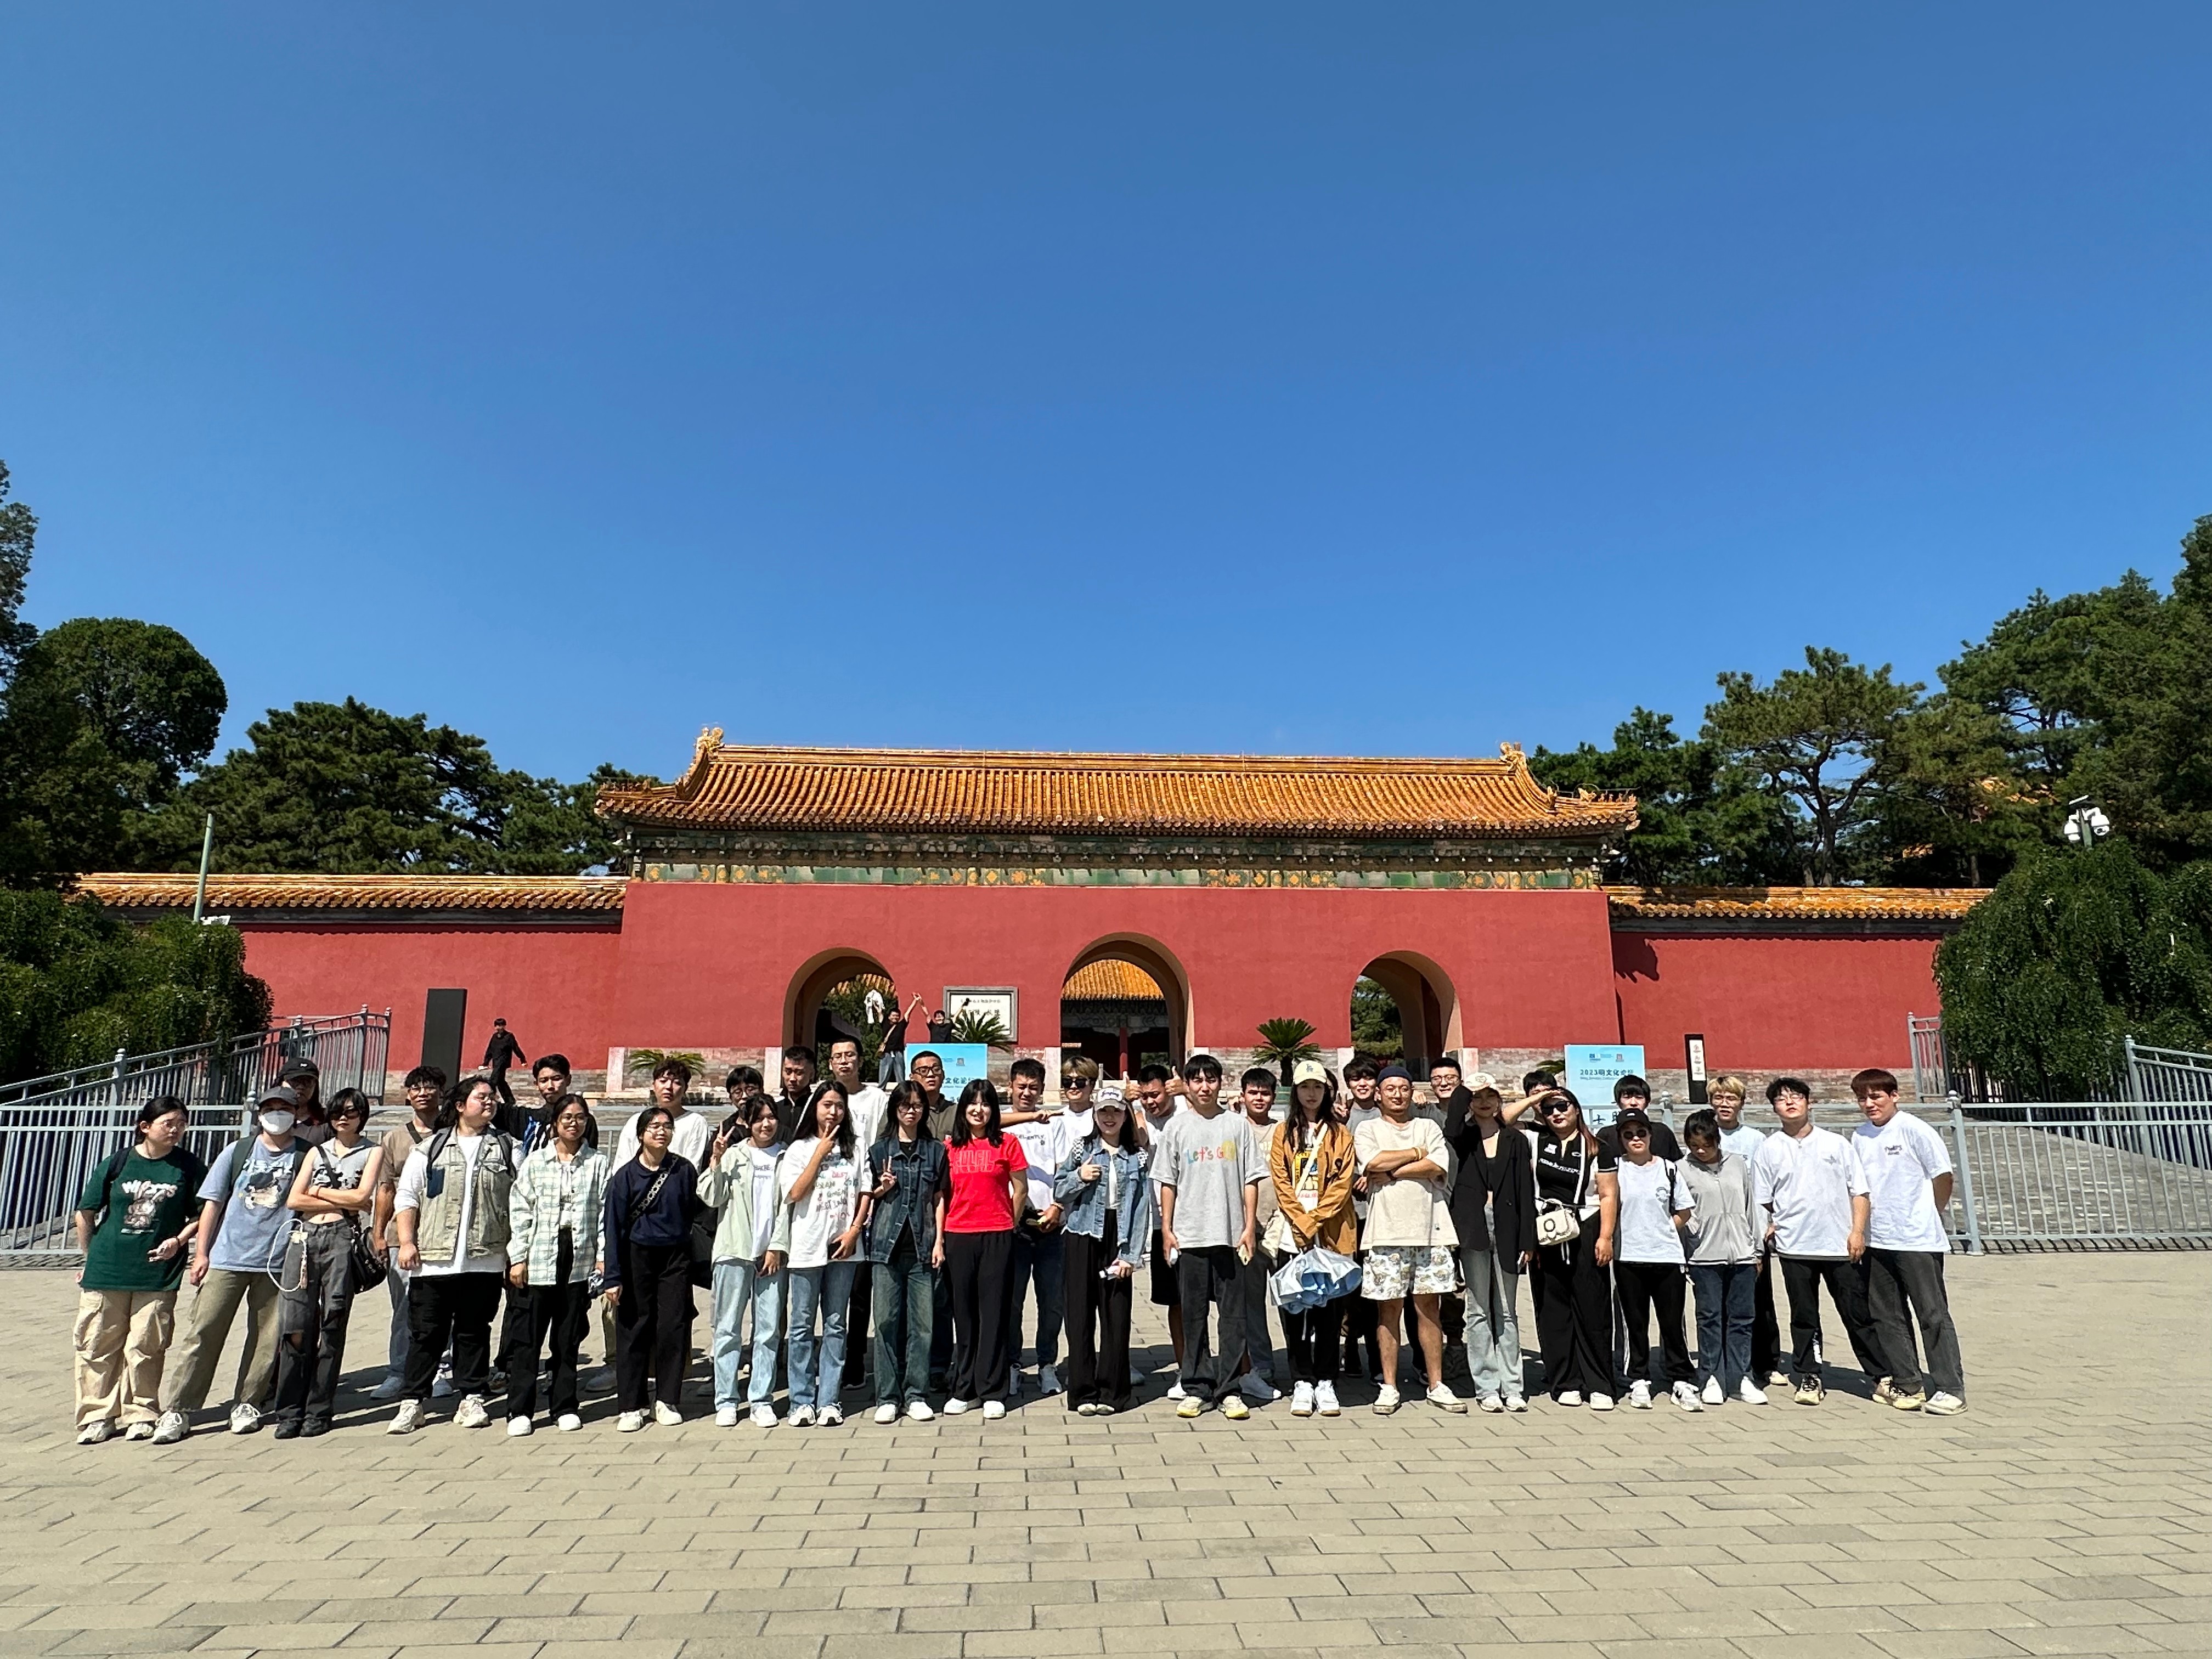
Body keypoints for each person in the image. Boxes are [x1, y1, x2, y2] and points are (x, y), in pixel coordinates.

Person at [149, 1084, 310, 1443]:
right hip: (228, 1257)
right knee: (203, 1332)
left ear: (296, 1113)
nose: (277, 1114)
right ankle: (179, 1408)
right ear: (259, 1113)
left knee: (266, 1339)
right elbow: (213, 1204)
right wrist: (202, 1253)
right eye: (270, 1107)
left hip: (277, 1262)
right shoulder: (237, 1151)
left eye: (285, 1108)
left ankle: (248, 1402)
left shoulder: (305, 1155)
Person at [387, 1077, 520, 1434]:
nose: (489, 1102)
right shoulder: (430, 1149)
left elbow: (521, 1201)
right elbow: (407, 1196)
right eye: (481, 1097)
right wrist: (407, 1242)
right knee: (426, 1334)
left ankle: (471, 1397)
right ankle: (413, 1402)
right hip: (433, 1259)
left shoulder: (508, 1148)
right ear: (460, 1106)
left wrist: (516, 1253)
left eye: (492, 1098)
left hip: (485, 1258)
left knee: (473, 1332)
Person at [71, 1097, 205, 1443]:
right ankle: (97, 1416)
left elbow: (203, 1213)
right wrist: (89, 1257)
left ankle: (141, 1413)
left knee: (146, 1346)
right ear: (145, 1127)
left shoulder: (188, 1167)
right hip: (107, 1270)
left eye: (181, 1124)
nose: (175, 1130)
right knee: (97, 1344)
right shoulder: (118, 1162)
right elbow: (86, 1212)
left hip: (157, 1273)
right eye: (168, 1123)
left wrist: (179, 1240)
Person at [1754, 1077, 1887, 1406]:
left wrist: (1857, 1231)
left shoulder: (1836, 1144)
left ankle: (1881, 1376)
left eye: (1796, 1096)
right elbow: (1763, 1200)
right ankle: (1809, 1375)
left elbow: (1860, 1191)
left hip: (1839, 1245)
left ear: (1809, 1102)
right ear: (1774, 1108)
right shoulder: (1769, 1149)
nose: (1790, 1103)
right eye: (1781, 1099)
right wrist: (1773, 1227)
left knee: (1857, 1314)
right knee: (1804, 1317)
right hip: (1795, 1247)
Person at [270, 1087, 383, 1438]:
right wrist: (339, 1198)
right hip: (304, 1238)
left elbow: (363, 1196)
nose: (343, 1118)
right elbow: (294, 1200)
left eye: (350, 1112)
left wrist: (317, 1192)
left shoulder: (372, 1151)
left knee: (333, 1323)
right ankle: (289, 1410)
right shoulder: (316, 1151)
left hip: (341, 1238)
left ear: (362, 1116)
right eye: (337, 1113)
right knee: (295, 1326)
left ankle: (319, 1410)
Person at [1851, 1069, 1966, 1415]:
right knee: (1887, 1315)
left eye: (1876, 1096)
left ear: (1894, 1096)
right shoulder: (1860, 1136)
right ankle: (1908, 1383)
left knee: (1932, 1313)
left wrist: (1931, 1212)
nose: (1869, 1104)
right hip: (1877, 1239)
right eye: (1863, 1098)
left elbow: (1943, 1176)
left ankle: (1950, 1388)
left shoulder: (1915, 1130)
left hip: (1917, 1239)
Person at [1351, 1065, 1464, 1414]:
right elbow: (1372, 1161)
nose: (1398, 1095)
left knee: (1429, 1310)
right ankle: (1389, 1385)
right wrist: (1416, 1154)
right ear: (1379, 1094)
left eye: (1403, 1088)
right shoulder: (1368, 1128)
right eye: (1390, 1089)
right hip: (1385, 1232)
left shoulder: (1428, 1127)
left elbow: (1438, 1167)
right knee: (1388, 1311)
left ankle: (1437, 1384)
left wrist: (1390, 1172)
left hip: (1431, 1231)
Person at [1157, 1053, 1264, 1420]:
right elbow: (1168, 1182)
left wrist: (1248, 1228)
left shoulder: (1237, 1126)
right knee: (1193, 1315)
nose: (1204, 1087)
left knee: (1233, 1317)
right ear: (1187, 1085)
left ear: (1222, 1083)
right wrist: (1167, 1229)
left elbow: (1251, 1180)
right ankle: (1197, 1386)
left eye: (1211, 1080)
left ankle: (1230, 1389)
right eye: (1197, 1080)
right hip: (1190, 1235)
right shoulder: (1176, 1128)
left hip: (1230, 1236)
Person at [506, 1094, 610, 1435]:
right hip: (539, 1253)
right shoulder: (536, 1162)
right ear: (555, 1122)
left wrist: (602, 1255)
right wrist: (518, 1257)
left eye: (580, 1118)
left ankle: (564, 1405)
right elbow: (520, 1210)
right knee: (528, 1338)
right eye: (567, 1117)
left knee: (568, 1337)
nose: (573, 1124)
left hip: (577, 1256)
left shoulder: (598, 1163)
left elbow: (604, 1213)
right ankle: (519, 1410)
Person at [603, 1103, 703, 1429]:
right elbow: (614, 1227)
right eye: (654, 1126)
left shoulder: (684, 1170)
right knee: (634, 1328)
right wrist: (613, 1275)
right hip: (637, 1257)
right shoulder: (625, 1177)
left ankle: (667, 1399)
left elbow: (693, 1212)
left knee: (673, 1326)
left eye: (667, 1126)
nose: (662, 1131)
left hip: (675, 1258)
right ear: (641, 1135)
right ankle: (631, 1405)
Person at [1054, 1082, 1150, 1415]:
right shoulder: (1082, 1149)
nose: (1110, 1118)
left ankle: (1113, 1392)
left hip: (1117, 1236)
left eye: (1116, 1112)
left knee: (1116, 1314)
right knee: (1079, 1314)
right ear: (1095, 1115)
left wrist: (1131, 1256)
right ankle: (1083, 1392)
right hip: (1082, 1234)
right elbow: (1059, 1190)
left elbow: (1142, 1209)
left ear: (1125, 1116)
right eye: (1104, 1112)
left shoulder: (1137, 1157)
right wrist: (1079, 1177)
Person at [1268, 1062, 1357, 1418]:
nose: (1311, 1094)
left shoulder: (1340, 1134)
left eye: (1318, 1087)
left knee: (1329, 1312)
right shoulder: (1283, 1132)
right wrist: (1301, 1221)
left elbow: (1343, 1183)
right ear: (1295, 1091)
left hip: (1331, 1233)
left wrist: (1315, 1218)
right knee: (1295, 1308)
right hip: (1293, 1233)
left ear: (1326, 1092)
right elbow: (1280, 1179)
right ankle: (1301, 1380)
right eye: (1305, 1087)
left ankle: (1326, 1380)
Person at [1441, 1073, 1535, 1413]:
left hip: (1509, 1226)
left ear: (1499, 1102)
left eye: (1490, 1096)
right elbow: (1451, 1125)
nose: (1484, 1103)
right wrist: (1464, 1088)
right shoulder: (1463, 1136)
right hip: (1474, 1227)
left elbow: (1525, 1190)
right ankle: (1486, 1385)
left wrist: (1528, 1239)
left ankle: (1513, 1385)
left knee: (1507, 1311)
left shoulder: (1516, 1139)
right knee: (1478, 1310)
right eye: (1477, 1097)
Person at [1525, 1087, 1620, 1409]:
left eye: (1563, 1106)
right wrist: (1534, 1101)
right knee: (1552, 1308)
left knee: (1592, 1308)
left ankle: (1599, 1384)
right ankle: (1565, 1381)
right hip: (1546, 1229)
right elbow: (1501, 1120)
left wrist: (1605, 1237)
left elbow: (1608, 1195)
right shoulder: (1536, 1140)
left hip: (1586, 1227)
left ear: (1577, 1109)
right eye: (1549, 1109)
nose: (1556, 1113)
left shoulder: (1599, 1148)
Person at [779, 1081, 866, 1427]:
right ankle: (801, 1401)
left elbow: (865, 1192)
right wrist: (820, 1152)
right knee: (801, 1326)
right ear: (814, 1108)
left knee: (835, 1325)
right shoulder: (798, 1149)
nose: (833, 1112)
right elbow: (794, 1193)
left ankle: (829, 1399)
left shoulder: (856, 1147)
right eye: (827, 1105)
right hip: (806, 1247)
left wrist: (854, 1231)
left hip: (844, 1247)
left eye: (839, 1106)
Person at [701, 1096, 791, 1427]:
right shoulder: (734, 1155)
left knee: (768, 1330)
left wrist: (777, 1246)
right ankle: (726, 1399)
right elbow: (711, 1197)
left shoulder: (785, 1156)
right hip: (733, 1252)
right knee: (727, 1329)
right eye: (758, 1119)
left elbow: (789, 1205)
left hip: (772, 1256)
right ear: (747, 1123)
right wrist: (716, 1159)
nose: (766, 1124)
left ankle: (761, 1400)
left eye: (771, 1117)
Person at [940, 1079, 1027, 1420]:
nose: (979, 1110)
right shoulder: (950, 1147)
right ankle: (965, 1389)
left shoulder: (1008, 1143)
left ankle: (992, 1389)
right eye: (972, 1104)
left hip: (997, 1235)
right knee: (964, 1315)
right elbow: (942, 1196)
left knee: (994, 1313)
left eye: (986, 1104)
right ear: (963, 1109)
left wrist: (1008, 1223)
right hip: (958, 1235)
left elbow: (1020, 1190)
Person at [864, 1080, 948, 1423]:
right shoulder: (879, 1151)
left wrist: (939, 1241)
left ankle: (916, 1394)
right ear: (895, 1109)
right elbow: (866, 1199)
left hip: (922, 1248)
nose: (911, 1111)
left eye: (917, 1105)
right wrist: (881, 1189)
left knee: (922, 1326)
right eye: (905, 1105)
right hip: (885, 1248)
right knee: (885, 1322)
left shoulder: (935, 1151)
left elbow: (939, 1198)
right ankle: (887, 1396)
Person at [1609, 1105, 1700, 1412]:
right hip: (1628, 1257)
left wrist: (1664, 1228)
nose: (1636, 1139)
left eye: (1641, 1133)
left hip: (1666, 1256)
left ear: (1651, 1136)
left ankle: (1681, 1378)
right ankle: (1638, 1378)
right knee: (1635, 1323)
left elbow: (1684, 1211)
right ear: (1621, 1139)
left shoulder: (1669, 1169)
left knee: (1673, 1323)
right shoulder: (1615, 1170)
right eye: (1628, 1134)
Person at [1678, 1108, 1765, 1406]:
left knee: (1742, 1319)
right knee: (1709, 1319)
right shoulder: (1681, 1169)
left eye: (1707, 1144)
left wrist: (1756, 1250)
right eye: (1694, 1145)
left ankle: (1741, 1377)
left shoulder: (1737, 1163)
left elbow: (1751, 1206)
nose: (1701, 1151)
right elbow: (1681, 1212)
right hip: (1704, 1257)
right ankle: (1711, 1377)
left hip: (1742, 1255)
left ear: (1717, 1140)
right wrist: (1689, 1247)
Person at [1708, 1074, 1788, 1389]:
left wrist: (1768, 1222)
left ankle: (1767, 1363)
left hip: (1751, 1229)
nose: (1725, 1104)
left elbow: (1767, 1184)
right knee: (1720, 1301)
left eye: (1731, 1098)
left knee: (1760, 1298)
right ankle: (1726, 1360)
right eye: (1719, 1098)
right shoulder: (1705, 1135)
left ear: (1742, 1103)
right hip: (1717, 1232)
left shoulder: (1755, 1140)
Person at [372, 1065, 446, 1400]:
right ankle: (399, 1371)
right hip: (401, 1235)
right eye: (416, 1087)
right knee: (403, 1307)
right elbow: (385, 1189)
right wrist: (379, 1234)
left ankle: (441, 1370)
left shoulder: (453, 1132)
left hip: (444, 1233)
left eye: (430, 1087)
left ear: (442, 1093)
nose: (423, 1093)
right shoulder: (394, 1138)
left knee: (444, 1307)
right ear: (407, 1095)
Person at [1002, 1057, 1069, 1398]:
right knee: (1012, 1301)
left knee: (1051, 1301)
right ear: (1010, 1087)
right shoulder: (1000, 1123)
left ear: (1042, 1089)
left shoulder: (1054, 1124)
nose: (1027, 1093)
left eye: (1033, 1088)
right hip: (1011, 1225)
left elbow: (1065, 1169)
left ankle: (1046, 1364)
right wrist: (1029, 1117)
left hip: (1049, 1224)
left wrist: (1058, 1207)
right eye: (1021, 1087)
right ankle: (1013, 1364)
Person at [825, 1038, 887, 1393]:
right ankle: (829, 1358)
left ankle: (855, 1360)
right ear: (830, 1063)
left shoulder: (876, 1099)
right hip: (830, 1201)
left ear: (861, 1061)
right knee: (830, 1288)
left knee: (860, 1289)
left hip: (868, 1198)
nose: (844, 1061)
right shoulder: (825, 1097)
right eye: (838, 1056)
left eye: (850, 1055)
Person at [1127, 1062, 1187, 1386]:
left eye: (1156, 1095)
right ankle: (1184, 1368)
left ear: (1169, 1089)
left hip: (1194, 1221)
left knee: (1203, 1301)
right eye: (1145, 1096)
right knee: (1174, 1300)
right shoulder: (1141, 1119)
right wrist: (1130, 1105)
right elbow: (1138, 1140)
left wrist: (1188, 1093)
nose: (1151, 1102)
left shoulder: (1186, 1112)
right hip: (1158, 1223)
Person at [1228, 1068, 1284, 1404]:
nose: (1259, 1098)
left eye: (1265, 1093)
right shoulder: (1233, 1128)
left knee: (1291, 1298)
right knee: (1251, 1303)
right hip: (1245, 1227)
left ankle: (1300, 1362)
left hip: (1282, 1224)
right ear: (1243, 1095)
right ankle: (1262, 1365)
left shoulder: (1283, 1130)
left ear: (1273, 1097)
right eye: (1253, 1092)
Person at [1334, 1055, 1384, 1383]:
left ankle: (1378, 1357)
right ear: (1348, 1084)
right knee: (1350, 1288)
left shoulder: (1386, 1113)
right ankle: (1350, 1347)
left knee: (1377, 1287)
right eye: (1356, 1079)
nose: (1362, 1084)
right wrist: (1354, 1177)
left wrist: (1373, 1174)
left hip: (1380, 1214)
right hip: (1349, 1215)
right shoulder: (1342, 1116)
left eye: (1367, 1078)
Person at [1596, 1075, 1682, 1160]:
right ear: (1618, 1102)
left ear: (1647, 1102)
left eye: (1639, 1097)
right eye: (1627, 1097)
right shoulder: (1606, 1135)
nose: (1633, 1103)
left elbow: (1676, 1162)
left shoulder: (1662, 1132)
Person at [769, 1047, 819, 1144]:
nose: (792, 1079)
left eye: (799, 1073)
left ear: (812, 1075)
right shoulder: (774, 1108)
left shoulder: (817, 1107)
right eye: (788, 1072)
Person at [878, 992, 923, 1085]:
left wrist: (915, 1001)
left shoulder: (901, 1025)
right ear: (889, 1017)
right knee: (883, 1075)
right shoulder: (885, 1024)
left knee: (900, 1075)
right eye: (893, 1015)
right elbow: (880, 1013)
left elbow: (908, 1013)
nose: (895, 1017)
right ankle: (881, 1090)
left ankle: (902, 1091)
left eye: (897, 1016)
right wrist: (876, 1005)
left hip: (898, 1053)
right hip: (886, 1053)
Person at [482, 1018, 526, 1109]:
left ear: (504, 1026)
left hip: (503, 1062)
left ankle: (490, 1098)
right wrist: (486, 1063)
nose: (500, 1027)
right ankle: (510, 1100)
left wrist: (522, 1059)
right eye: (498, 1026)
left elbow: (516, 1048)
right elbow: (490, 1050)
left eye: (502, 1025)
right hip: (496, 1061)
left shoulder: (509, 1037)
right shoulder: (494, 1037)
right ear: (495, 1027)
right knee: (500, 1082)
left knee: (493, 1080)